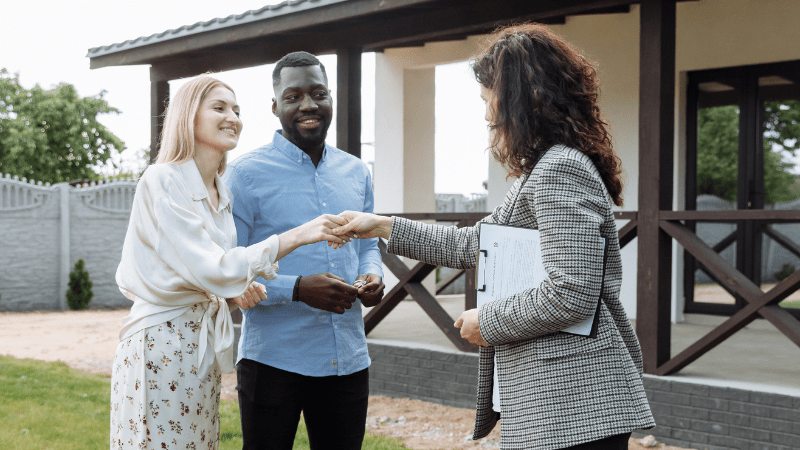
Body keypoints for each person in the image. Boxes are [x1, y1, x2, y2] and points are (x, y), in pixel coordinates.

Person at [332, 24, 655, 450]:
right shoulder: (546, 168)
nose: (487, 114)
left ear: (523, 99)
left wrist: (489, 321)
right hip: (561, 400)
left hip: (575, 398)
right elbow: (474, 243)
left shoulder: (559, 170)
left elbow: (572, 289)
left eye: (490, 99)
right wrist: (384, 226)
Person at [111, 75, 349, 450]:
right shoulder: (163, 180)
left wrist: (240, 287)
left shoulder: (220, 190)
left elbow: (216, 269)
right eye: (219, 107)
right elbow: (213, 268)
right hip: (162, 343)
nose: (233, 117)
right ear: (188, 116)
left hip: (200, 348)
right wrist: (299, 235)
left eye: (237, 110)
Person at [223, 51, 385, 450]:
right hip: (273, 360)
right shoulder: (243, 175)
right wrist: (297, 288)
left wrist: (373, 275)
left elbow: (367, 247)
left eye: (318, 93)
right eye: (294, 96)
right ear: (275, 105)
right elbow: (229, 268)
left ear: (331, 99)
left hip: (347, 358)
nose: (308, 105)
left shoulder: (356, 171)